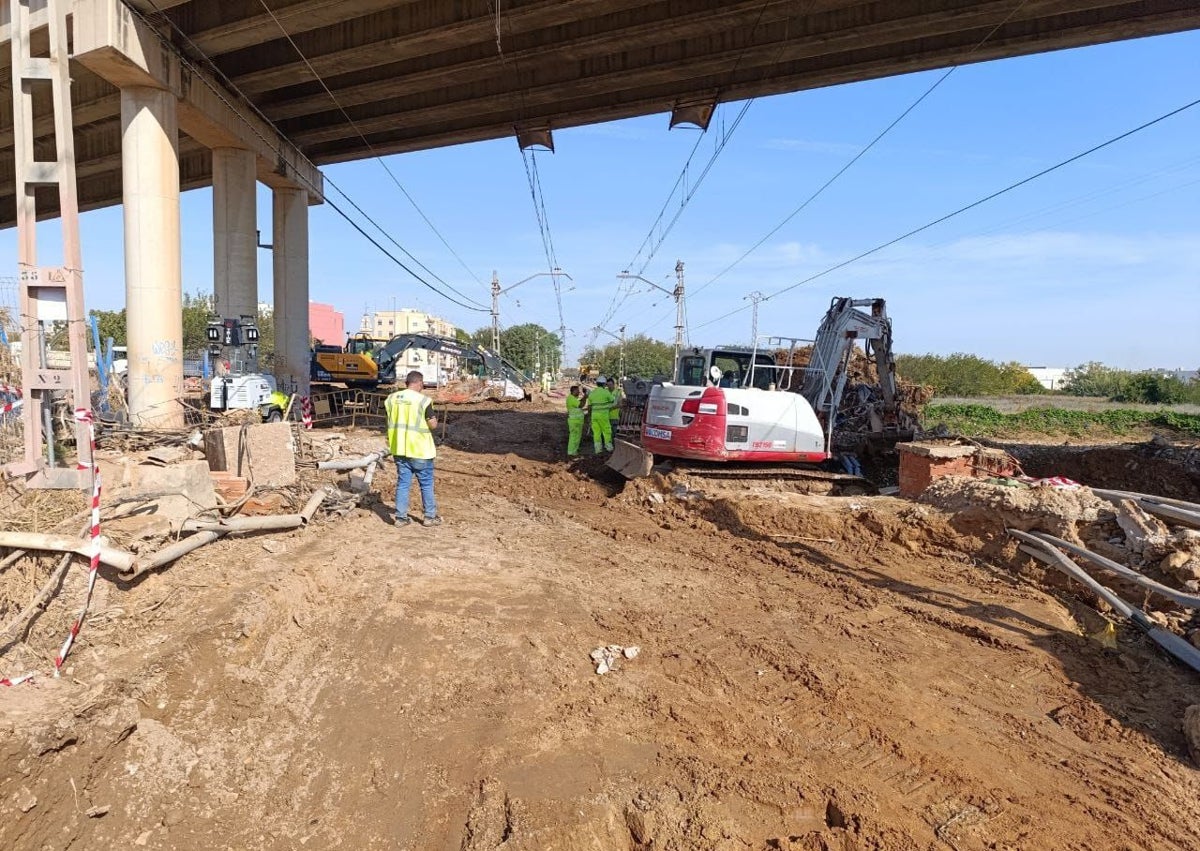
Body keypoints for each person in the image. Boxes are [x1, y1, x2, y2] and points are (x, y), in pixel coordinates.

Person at [384, 370, 441, 527]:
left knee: (403, 483)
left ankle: (401, 518)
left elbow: (390, 420)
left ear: (406, 383)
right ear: (420, 383)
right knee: (426, 484)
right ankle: (429, 517)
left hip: (399, 449)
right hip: (420, 450)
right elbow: (432, 425)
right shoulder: (424, 400)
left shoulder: (391, 399)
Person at [584, 376, 615, 453]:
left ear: (597, 384)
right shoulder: (606, 393)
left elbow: (589, 407)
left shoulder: (592, 393)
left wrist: (589, 416)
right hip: (603, 416)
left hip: (594, 416)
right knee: (606, 431)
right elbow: (612, 400)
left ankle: (598, 449)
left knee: (596, 433)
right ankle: (608, 447)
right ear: (604, 384)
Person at [565, 384, 584, 457]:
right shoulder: (571, 399)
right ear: (574, 391)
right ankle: (571, 452)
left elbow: (580, 403)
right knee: (573, 436)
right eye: (578, 391)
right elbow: (581, 405)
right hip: (574, 422)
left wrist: (584, 398)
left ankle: (574, 451)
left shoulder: (573, 399)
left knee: (576, 437)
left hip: (576, 421)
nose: (579, 392)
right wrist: (585, 397)